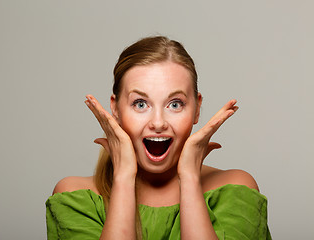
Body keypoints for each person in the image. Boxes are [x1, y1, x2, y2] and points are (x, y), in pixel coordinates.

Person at [46, 36, 271, 240]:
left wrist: (190, 179)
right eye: (140, 104)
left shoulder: (235, 190)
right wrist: (124, 177)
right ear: (116, 109)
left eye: (175, 104)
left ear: (197, 108)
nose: (158, 123)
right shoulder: (75, 197)